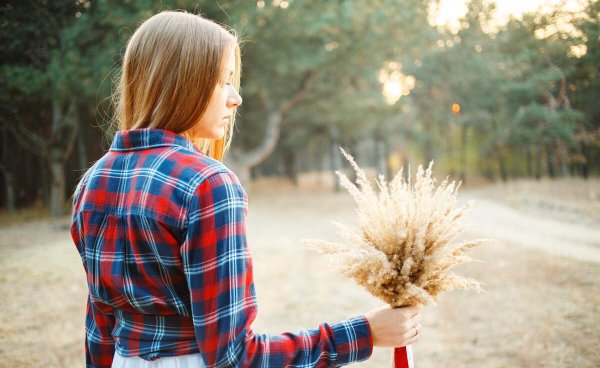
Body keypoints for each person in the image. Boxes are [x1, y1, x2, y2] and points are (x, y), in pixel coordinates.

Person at [70, 10, 422, 368]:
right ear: (182, 82)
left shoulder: (92, 182)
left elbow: (99, 331)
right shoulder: (207, 186)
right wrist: (365, 333)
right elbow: (234, 357)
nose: (235, 98)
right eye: (223, 81)